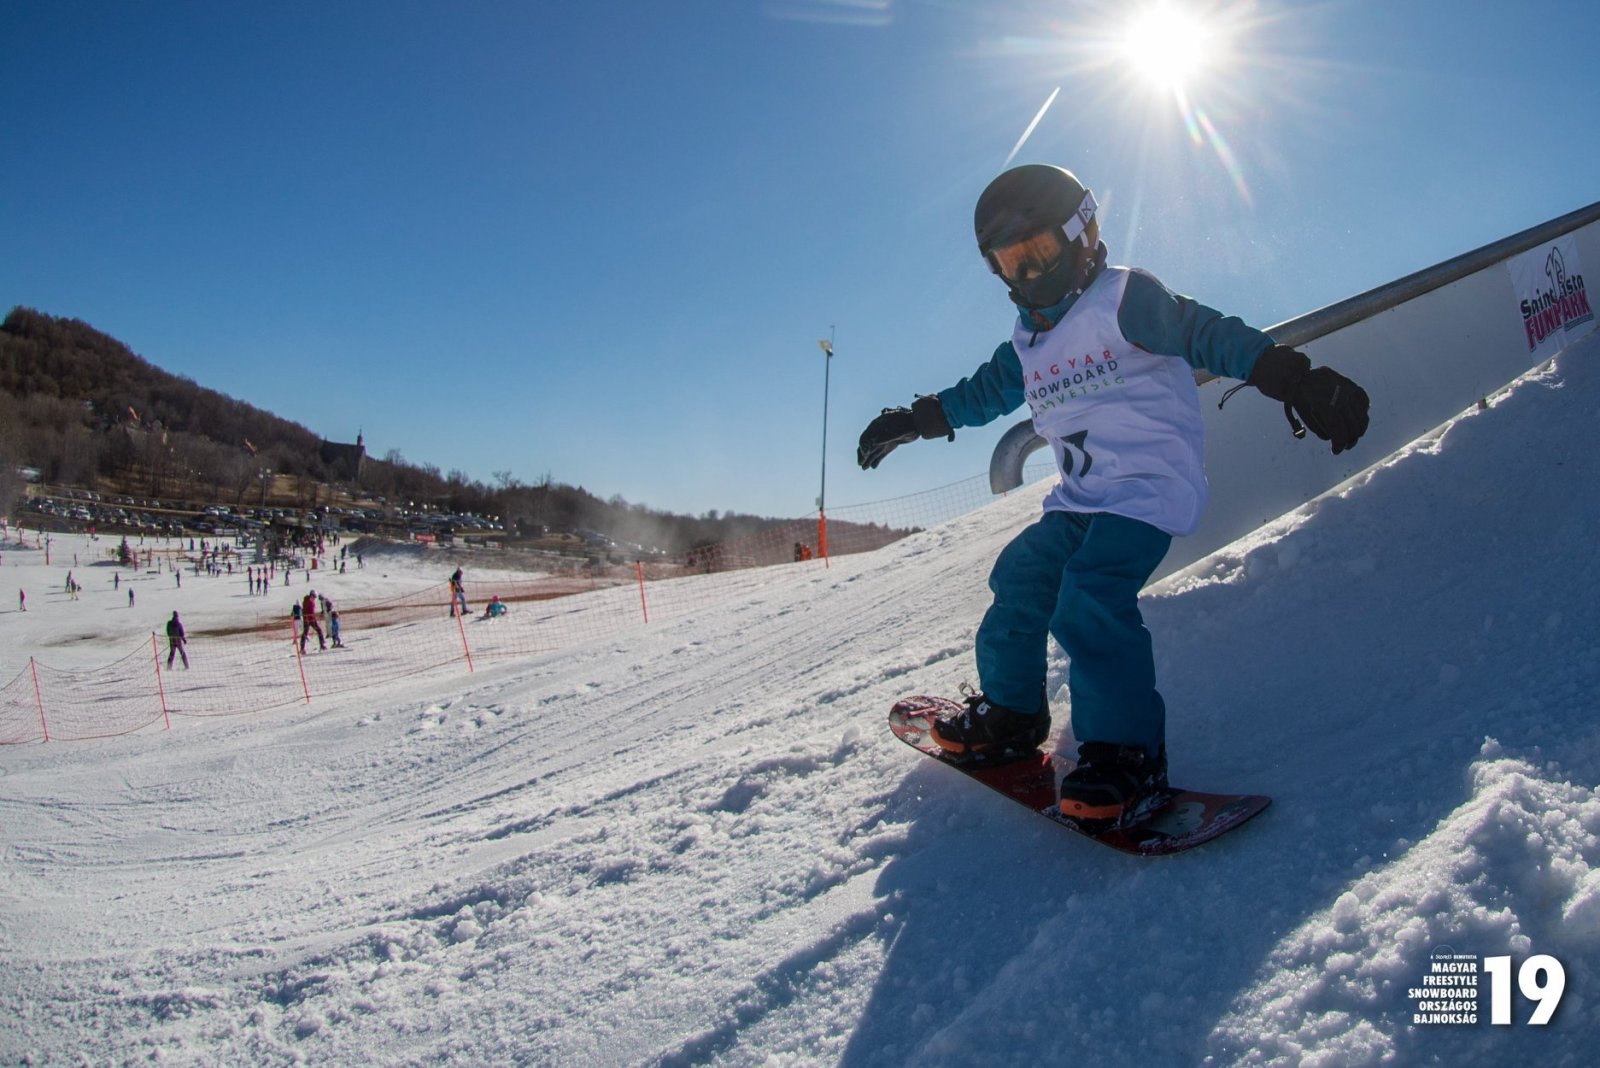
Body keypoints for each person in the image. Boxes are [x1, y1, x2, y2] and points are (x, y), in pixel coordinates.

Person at [857, 164, 1370, 828]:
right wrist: (914, 419)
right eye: (1011, 264)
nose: (1029, 277)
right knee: (1019, 576)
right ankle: (1012, 715)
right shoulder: (1029, 340)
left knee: (1089, 598)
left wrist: (1291, 375)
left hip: (1148, 492)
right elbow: (982, 393)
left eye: (1039, 253)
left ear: (1083, 234)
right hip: (1081, 497)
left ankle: (1124, 754)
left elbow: (1205, 331)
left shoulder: (1123, 301)